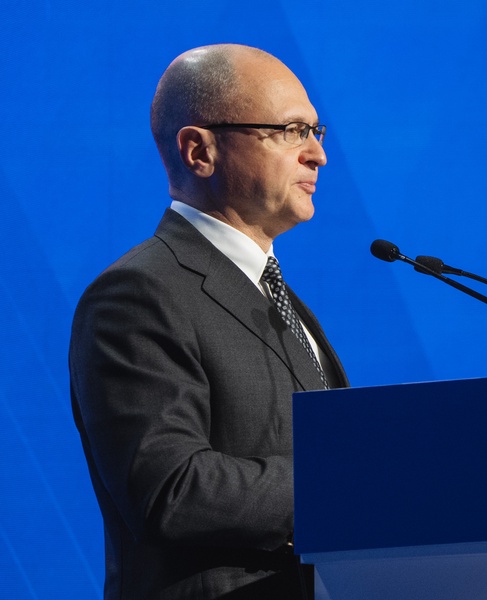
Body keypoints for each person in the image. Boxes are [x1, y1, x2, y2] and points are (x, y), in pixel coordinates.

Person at [70, 44, 348, 599]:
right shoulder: (137, 294)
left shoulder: (283, 301)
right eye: (292, 131)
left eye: (316, 131)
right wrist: (348, 484)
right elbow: (172, 490)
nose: (317, 154)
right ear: (199, 151)